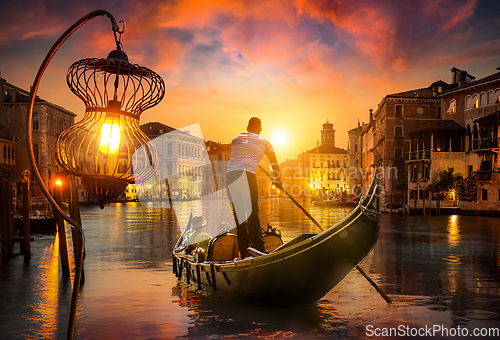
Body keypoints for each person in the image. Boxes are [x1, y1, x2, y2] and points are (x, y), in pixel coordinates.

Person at [226, 117, 281, 258]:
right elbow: (274, 164)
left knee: (239, 214)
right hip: (246, 175)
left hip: (231, 175)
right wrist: (278, 180)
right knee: (252, 210)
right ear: (260, 129)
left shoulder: (236, 139)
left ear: (247, 127)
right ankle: (257, 245)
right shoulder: (265, 143)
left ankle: (244, 250)